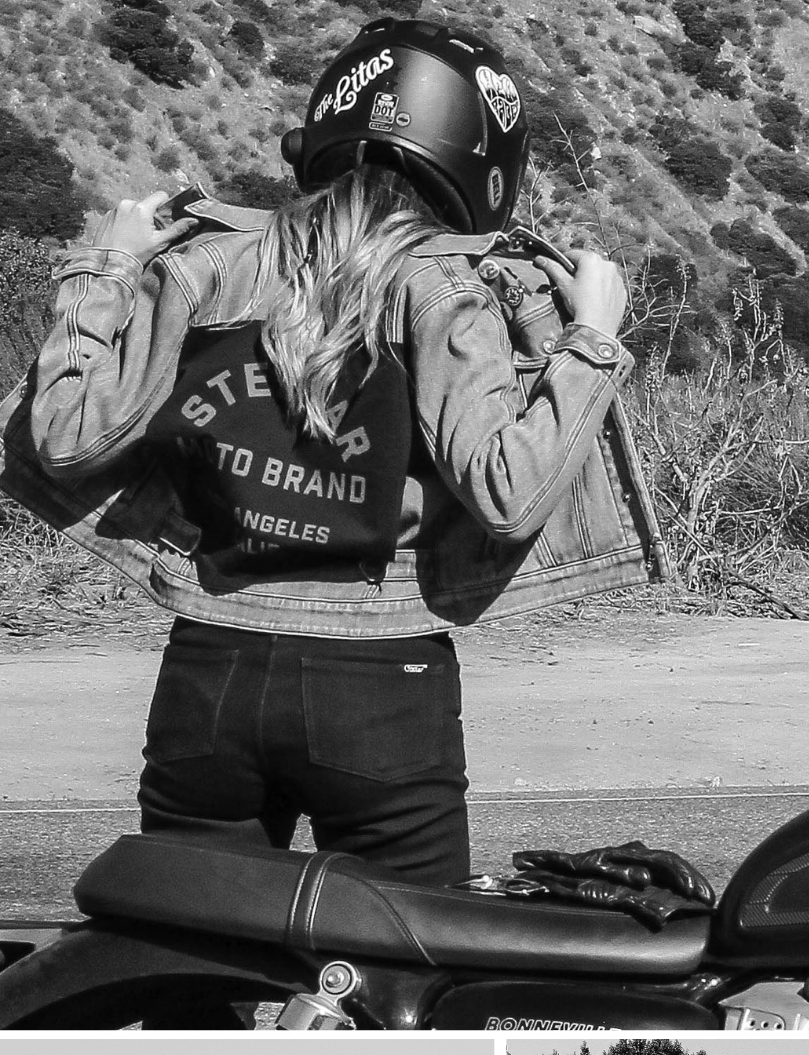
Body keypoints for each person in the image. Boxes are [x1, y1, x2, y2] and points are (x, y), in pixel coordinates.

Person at [19, 16, 638, 890]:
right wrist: (592, 340)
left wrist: (106, 270)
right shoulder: (445, 291)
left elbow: (61, 435)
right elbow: (510, 491)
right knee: (404, 976)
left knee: (188, 971)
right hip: (381, 686)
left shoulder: (209, 269)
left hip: (210, 671)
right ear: (478, 161)